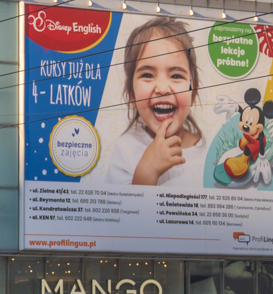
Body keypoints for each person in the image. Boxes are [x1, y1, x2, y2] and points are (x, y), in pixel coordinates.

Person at [88, 18, 208, 187]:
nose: (162, 88)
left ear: (193, 93)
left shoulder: (211, 152)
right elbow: (122, 212)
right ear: (132, 94)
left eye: (175, 76)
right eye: (148, 75)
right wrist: (147, 171)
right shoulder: (126, 150)